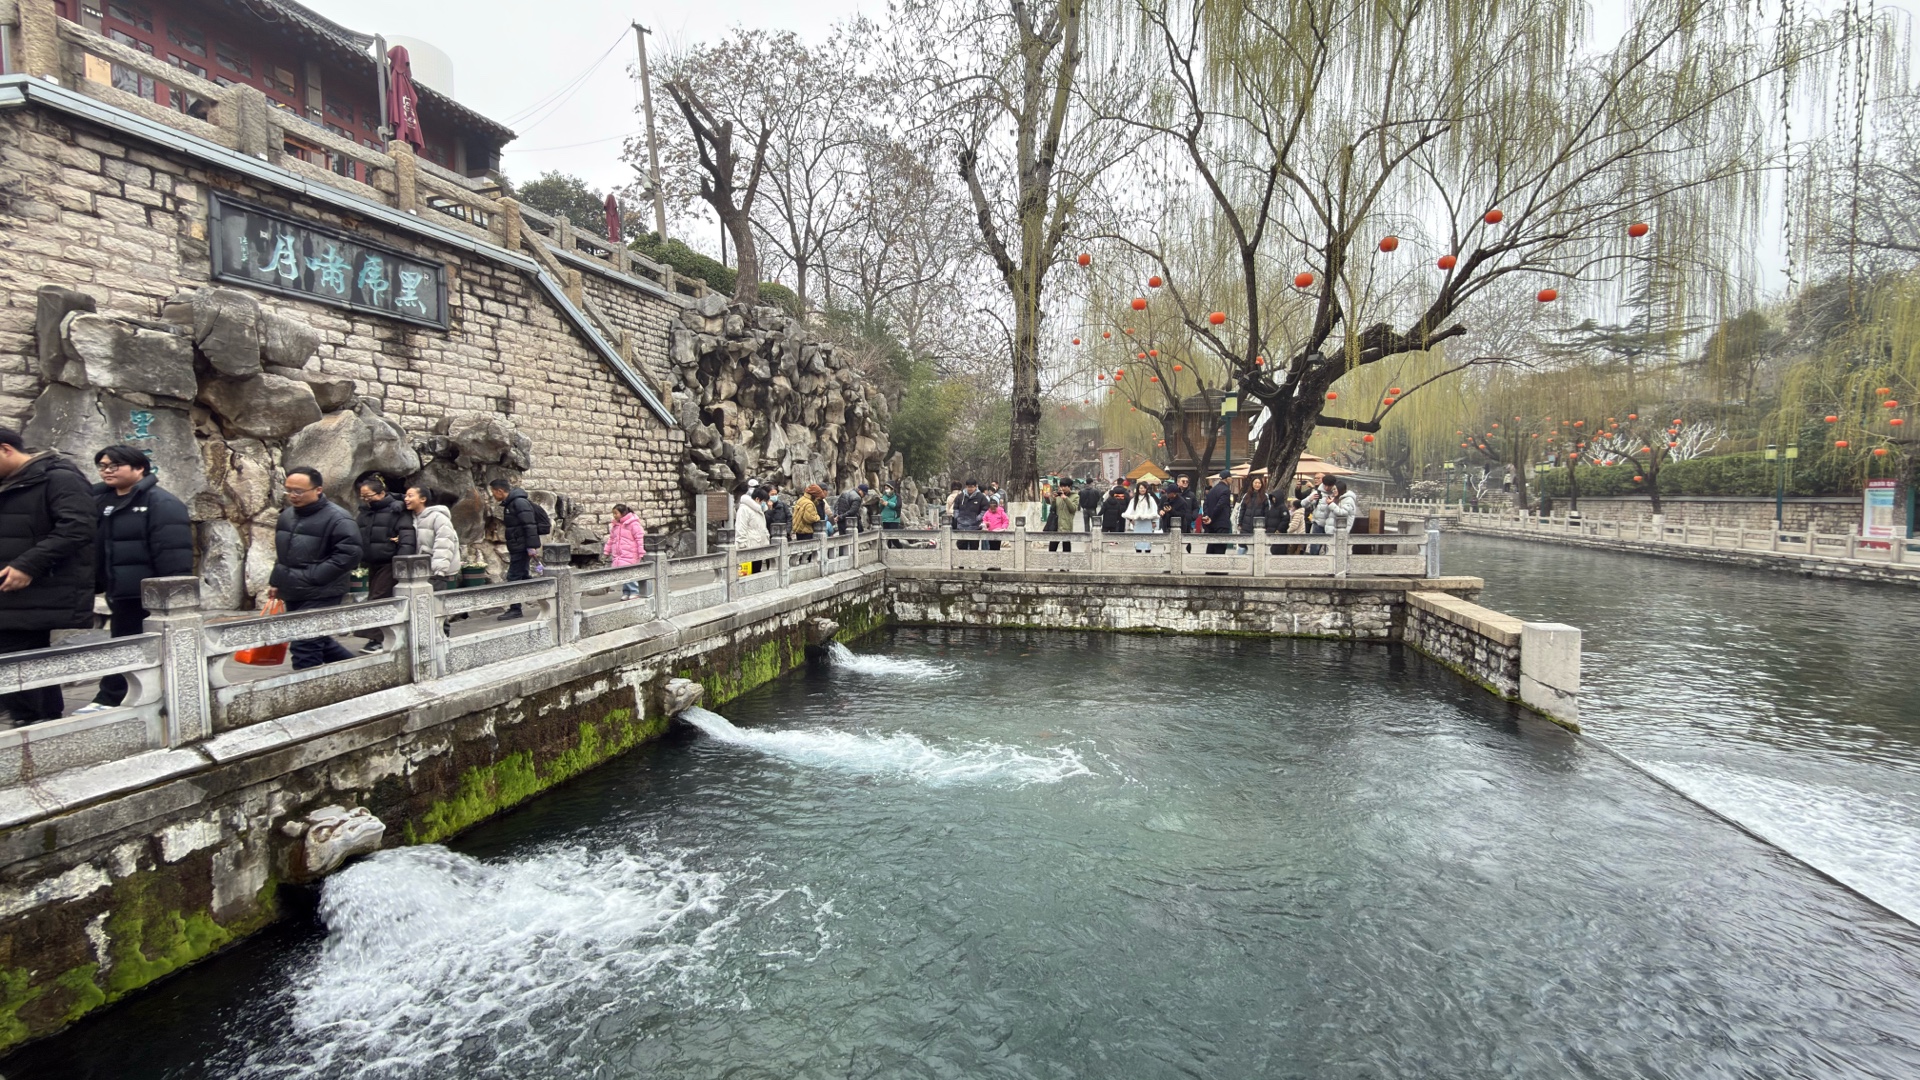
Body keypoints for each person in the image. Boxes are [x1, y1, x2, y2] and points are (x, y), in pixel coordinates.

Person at [82, 445, 193, 713]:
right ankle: (132, 695)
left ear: (139, 468)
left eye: (114, 466)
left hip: (145, 592)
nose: (107, 471)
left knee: (129, 644)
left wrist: (171, 595)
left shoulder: (162, 503)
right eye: (102, 466)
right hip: (117, 588)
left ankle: (111, 697)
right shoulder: (100, 500)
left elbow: (173, 553)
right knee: (127, 643)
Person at [0, 430, 95, 726]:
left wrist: (28, 565)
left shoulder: (59, 478)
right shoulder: (9, 483)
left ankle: (36, 723)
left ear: (5, 449)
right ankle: (33, 720)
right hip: (10, 589)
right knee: (19, 655)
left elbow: (78, 527)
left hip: (34, 586)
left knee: (20, 655)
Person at [269, 467, 363, 669]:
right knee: (317, 639)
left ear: (318, 490)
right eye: (288, 490)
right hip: (292, 589)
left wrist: (315, 576)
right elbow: (284, 553)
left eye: (299, 491)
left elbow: (350, 554)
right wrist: (276, 581)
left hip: (322, 591)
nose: (293, 496)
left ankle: (305, 686)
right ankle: (360, 672)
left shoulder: (338, 518)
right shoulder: (287, 515)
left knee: (305, 645)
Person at [355, 475, 415, 646]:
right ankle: (380, 636)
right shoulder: (365, 512)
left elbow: (407, 537)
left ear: (381, 493)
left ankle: (377, 639)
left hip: (390, 562)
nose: (366, 499)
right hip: (372, 562)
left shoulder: (396, 510)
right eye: (363, 496)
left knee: (379, 597)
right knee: (375, 596)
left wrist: (401, 564)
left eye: (369, 496)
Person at [489, 479, 541, 621]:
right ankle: (551, 595)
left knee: (513, 577)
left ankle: (515, 609)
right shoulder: (511, 503)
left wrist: (531, 546)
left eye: (493, 492)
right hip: (518, 545)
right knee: (524, 576)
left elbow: (529, 525)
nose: (493, 495)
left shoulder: (519, 503)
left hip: (521, 547)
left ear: (500, 491)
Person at [404, 485, 461, 590]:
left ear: (423, 499)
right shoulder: (412, 518)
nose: (406, 499)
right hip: (422, 571)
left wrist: (439, 571)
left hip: (438, 574)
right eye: (405, 496)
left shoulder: (438, 517)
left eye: (410, 496)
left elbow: (444, 544)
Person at [604, 503, 646, 599]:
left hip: (631, 553)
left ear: (623, 513)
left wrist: (641, 551)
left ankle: (634, 591)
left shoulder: (633, 524)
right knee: (623, 573)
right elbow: (611, 539)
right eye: (613, 513)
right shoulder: (615, 525)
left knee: (628, 572)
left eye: (616, 513)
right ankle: (626, 592)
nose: (614, 515)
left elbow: (639, 538)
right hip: (619, 554)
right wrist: (607, 550)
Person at [952, 479, 991, 550]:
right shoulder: (960, 496)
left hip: (975, 526)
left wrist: (978, 518)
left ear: (976, 487)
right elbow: (956, 508)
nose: (970, 489)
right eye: (968, 487)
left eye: (972, 487)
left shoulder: (981, 497)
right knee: (961, 545)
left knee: (974, 546)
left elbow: (985, 509)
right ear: (966, 487)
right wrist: (957, 517)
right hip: (962, 526)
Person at [1202, 471, 1234, 554]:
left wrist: (1207, 516)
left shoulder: (1212, 490)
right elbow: (1220, 505)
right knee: (1220, 549)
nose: (1232, 480)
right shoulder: (1226, 490)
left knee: (1211, 547)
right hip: (1221, 523)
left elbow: (1205, 504)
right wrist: (1212, 518)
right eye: (1231, 478)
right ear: (1227, 478)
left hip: (1211, 525)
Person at [1047, 479, 1076, 553]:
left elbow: (1073, 509)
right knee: (1052, 548)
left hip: (1066, 525)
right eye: (1061, 486)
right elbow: (1053, 509)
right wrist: (1053, 499)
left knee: (1066, 549)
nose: (1062, 488)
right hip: (1056, 525)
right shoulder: (1058, 496)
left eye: (1064, 486)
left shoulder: (1075, 496)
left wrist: (1065, 498)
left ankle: (1066, 560)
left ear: (1069, 486)